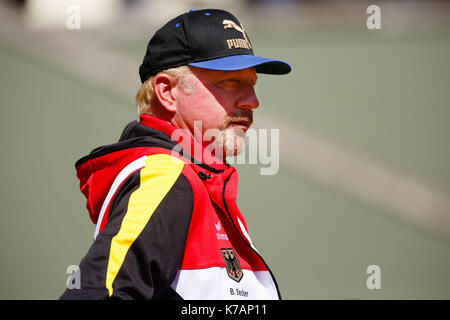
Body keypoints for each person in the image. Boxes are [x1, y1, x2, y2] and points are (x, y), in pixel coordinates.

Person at [60, 8, 291, 300]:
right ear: (168, 92)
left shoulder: (198, 180)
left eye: (252, 84)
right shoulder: (167, 177)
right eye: (231, 82)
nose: (252, 101)